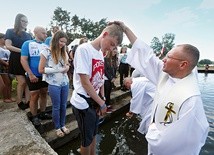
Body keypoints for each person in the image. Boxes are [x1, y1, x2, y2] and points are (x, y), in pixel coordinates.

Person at [112, 21, 209, 155]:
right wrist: (125, 29)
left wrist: (151, 128)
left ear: (183, 65)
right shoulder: (165, 75)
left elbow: (177, 142)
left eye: (168, 57)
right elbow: (146, 56)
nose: (163, 60)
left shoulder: (190, 101)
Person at [70, 23, 123, 155]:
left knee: (93, 134)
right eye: (111, 44)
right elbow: (85, 82)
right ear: (104, 35)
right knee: (86, 140)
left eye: (114, 47)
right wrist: (102, 103)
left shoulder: (100, 54)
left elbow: (100, 79)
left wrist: (103, 97)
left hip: (95, 101)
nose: (111, 48)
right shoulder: (84, 49)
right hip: (83, 102)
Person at [39, 30, 70, 137]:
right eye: (61, 41)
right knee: (56, 107)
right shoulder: (46, 52)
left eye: (64, 42)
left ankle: (63, 125)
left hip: (65, 82)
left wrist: (67, 67)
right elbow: (41, 69)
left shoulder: (64, 52)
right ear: (56, 39)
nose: (62, 44)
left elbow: (66, 65)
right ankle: (57, 127)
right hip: (53, 84)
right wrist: (59, 70)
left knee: (63, 105)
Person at [21, 26, 51, 126]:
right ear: (36, 32)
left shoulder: (46, 45)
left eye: (46, 33)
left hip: (44, 74)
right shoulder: (27, 43)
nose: (45, 35)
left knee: (44, 93)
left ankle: (42, 112)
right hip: (33, 74)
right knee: (34, 95)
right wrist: (30, 73)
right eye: (43, 33)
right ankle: (34, 116)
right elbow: (23, 59)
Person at [5, 13, 32, 110]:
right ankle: (19, 101)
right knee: (22, 82)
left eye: (26, 21)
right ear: (18, 21)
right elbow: (8, 45)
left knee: (28, 82)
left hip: (27, 60)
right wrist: (22, 51)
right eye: (23, 21)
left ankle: (28, 101)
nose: (25, 23)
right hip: (16, 59)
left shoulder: (29, 35)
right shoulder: (10, 31)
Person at [0, 33, 15, 103]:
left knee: (10, 81)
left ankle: (9, 96)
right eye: (4, 38)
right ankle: (5, 97)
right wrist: (5, 63)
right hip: (2, 65)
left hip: (8, 64)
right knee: (6, 82)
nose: (5, 40)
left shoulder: (6, 47)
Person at [104, 48, 117, 113]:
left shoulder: (114, 60)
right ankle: (105, 107)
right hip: (106, 79)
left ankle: (108, 105)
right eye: (114, 50)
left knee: (109, 92)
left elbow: (115, 69)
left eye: (116, 50)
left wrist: (114, 77)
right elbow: (105, 70)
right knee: (106, 93)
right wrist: (111, 78)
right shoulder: (105, 59)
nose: (115, 51)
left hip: (111, 79)